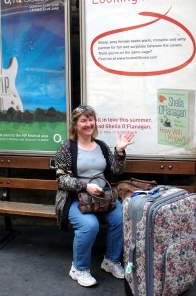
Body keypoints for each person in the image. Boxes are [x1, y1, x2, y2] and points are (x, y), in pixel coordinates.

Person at [54, 105, 135, 287]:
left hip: (102, 199)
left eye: (91, 119)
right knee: (90, 225)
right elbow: (61, 179)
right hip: (74, 200)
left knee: (121, 217)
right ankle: (79, 269)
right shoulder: (67, 148)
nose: (88, 123)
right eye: (83, 120)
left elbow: (116, 172)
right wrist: (85, 187)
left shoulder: (101, 146)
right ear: (75, 124)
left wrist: (120, 152)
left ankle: (111, 261)